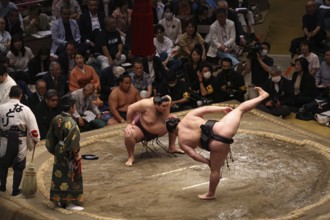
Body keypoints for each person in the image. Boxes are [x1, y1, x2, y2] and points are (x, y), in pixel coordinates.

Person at [166, 86, 269, 200]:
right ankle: (263, 96)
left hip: (217, 144)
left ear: (172, 132)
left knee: (215, 171)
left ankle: (210, 194)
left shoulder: (182, 141)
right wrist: (221, 109)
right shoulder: (189, 116)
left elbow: (194, 155)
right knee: (240, 109)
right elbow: (206, 109)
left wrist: (207, 161)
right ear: (177, 121)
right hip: (222, 129)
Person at [45, 94, 84, 210]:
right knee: (69, 175)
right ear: (72, 108)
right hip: (68, 152)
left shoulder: (56, 118)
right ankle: (68, 203)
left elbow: (50, 138)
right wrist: (75, 154)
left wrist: (54, 150)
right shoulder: (72, 123)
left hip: (58, 149)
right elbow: (73, 143)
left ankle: (58, 199)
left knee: (59, 175)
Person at [0, 86, 40, 196]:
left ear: (9, 95)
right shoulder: (26, 109)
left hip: (4, 140)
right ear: (20, 96)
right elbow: (33, 128)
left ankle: (2, 186)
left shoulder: (1, 108)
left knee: (3, 164)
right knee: (19, 165)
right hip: (20, 140)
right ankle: (15, 190)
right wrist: (35, 139)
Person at [124, 94, 183, 166]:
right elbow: (130, 108)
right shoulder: (145, 104)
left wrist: (169, 116)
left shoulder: (168, 99)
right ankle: (131, 157)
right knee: (129, 134)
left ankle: (172, 147)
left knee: (175, 122)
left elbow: (167, 112)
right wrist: (129, 124)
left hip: (161, 129)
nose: (165, 108)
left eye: (167, 106)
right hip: (142, 130)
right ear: (156, 104)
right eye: (163, 106)